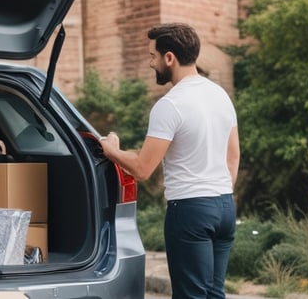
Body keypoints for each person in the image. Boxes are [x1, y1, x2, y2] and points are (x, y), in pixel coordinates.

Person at [99, 23, 239, 299]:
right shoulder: (220, 95)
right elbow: (233, 155)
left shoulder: (170, 104)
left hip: (190, 211)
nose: (151, 63)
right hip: (224, 206)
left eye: (153, 56)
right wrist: (217, 192)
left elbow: (142, 168)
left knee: (191, 296)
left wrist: (111, 149)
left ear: (170, 58)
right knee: (214, 293)